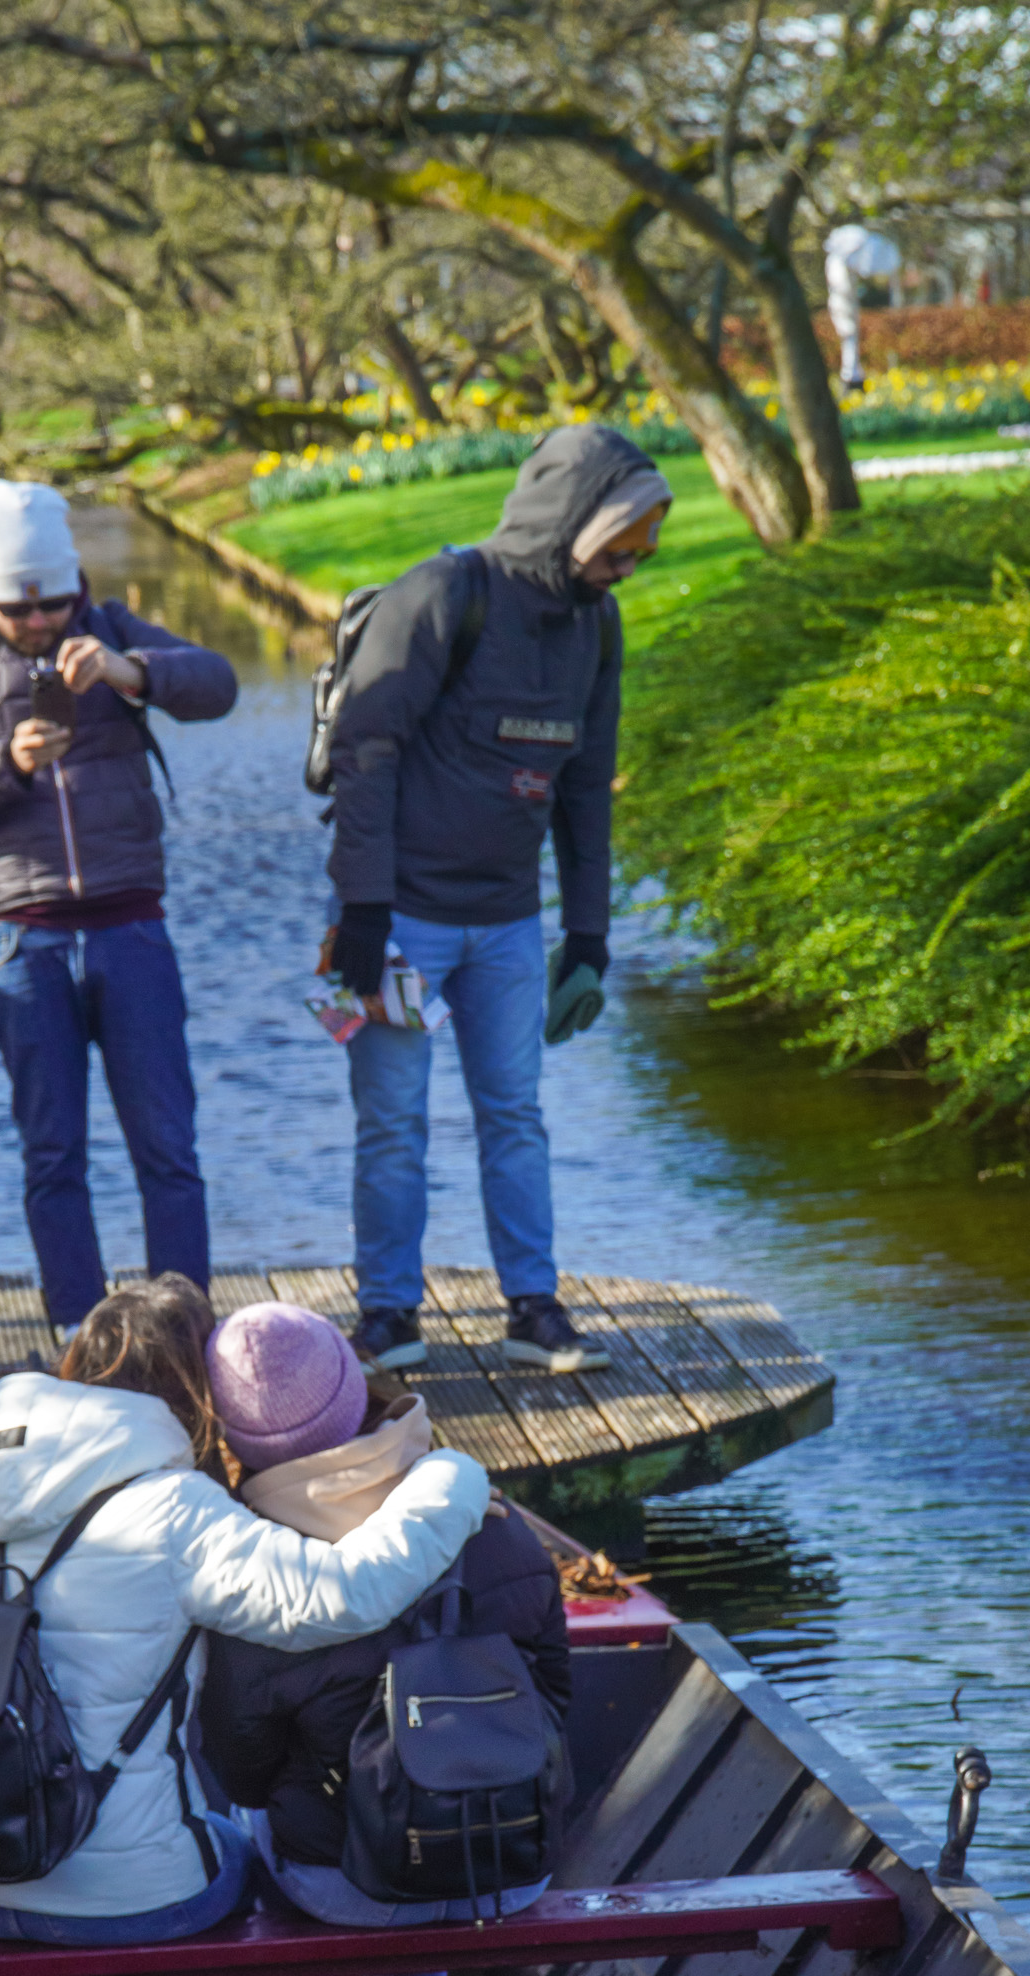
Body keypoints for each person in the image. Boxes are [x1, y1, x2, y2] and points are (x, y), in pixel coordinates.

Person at [0, 1277, 490, 1976]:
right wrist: (448, 1483)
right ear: (194, 1391)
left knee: (101, 1861)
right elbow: (341, 1596)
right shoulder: (174, 1509)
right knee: (227, 1873)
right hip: (112, 1892)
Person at [322, 422, 672, 1379]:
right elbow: (364, 749)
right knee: (393, 1124)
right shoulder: (445, 594)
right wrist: (362, 909)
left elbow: (586, 785)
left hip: (511, 924)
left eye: (642, 551)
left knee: (515, 1114)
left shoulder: (597, 625)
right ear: (569, 523)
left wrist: (589, 933)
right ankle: (388, 1316)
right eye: (619, 547)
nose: (630, 568)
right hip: (402, 922)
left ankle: (533, 1310)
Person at [196, 1304, 570, 1976]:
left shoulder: (259, 1568)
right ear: (356, 1389)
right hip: (507, 1866)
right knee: (446, 1781)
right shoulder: (496, 1521)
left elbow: (244, 1771)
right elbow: (555, 1701)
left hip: (343, 1889)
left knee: (270, 1818)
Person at [0, 479, 238, 1342]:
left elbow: (219, 685)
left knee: (168, 1147)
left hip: (132, 927)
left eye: (53, 602)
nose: (39, 621)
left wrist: (132, 673)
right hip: (25, 939)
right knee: (53, 1155)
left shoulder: (112, 628)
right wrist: (7, 763)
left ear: (75, 586)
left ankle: (183, 1333)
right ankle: (78, 1336)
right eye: (19, 608)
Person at [823, 222, 902, 391]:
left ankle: (852, 374)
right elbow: (842, 287)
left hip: (847, 303)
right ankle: (850, 376)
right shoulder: (838, 263)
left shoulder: (849, 258)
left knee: (850, 335)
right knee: (848, 334)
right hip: (843, 304)